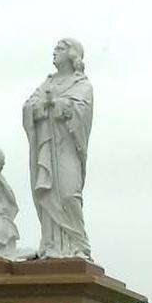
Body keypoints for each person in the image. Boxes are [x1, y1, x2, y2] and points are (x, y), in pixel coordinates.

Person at [23, 38, 93, 260]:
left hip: (67, 145)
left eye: (60, 48)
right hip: (47, 145)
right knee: (49, 190)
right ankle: (52, 243)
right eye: (55, 48)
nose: (55, 51)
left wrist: (62, 106)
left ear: (73, 55)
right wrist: (42, 106)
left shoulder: (82, 84)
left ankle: (78, 244)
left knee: (70, 193)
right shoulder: (47, 84)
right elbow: (28, 107)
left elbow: (81, 111)